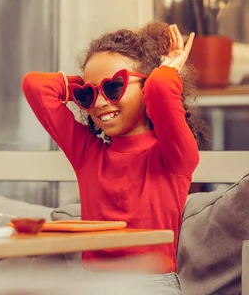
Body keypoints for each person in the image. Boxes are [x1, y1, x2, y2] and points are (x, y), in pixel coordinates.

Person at [22, 22, 207, 293]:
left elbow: (158, 89)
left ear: (146, 87)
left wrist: (167, 70)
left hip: (151, 286)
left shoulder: (173, 156)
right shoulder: (88, 154)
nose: (98, 103)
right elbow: (35, 86)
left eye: (114, 87)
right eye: (90, 94)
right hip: (92, 284)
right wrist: (82, 86)